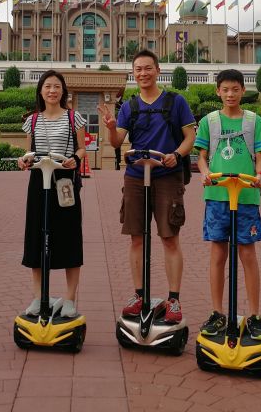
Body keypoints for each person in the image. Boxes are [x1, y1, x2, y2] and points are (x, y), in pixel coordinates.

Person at [98, 49, 196, 323]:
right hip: (136, 175)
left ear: (158, 70)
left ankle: (174, 299)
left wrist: (176, 154)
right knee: (136, 237)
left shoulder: (176, 102)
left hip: (167, 174)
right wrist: (110, 126)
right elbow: (118, 142)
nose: (143, 73)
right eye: (138, 69)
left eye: (148, 68)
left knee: (169, 237)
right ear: (133, 73)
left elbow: (190, 136)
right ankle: (139, 294)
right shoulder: (129, 106)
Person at [194, 69, 261, 340]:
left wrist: (260, 175)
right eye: (225, 89)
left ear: (242, 90)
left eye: (235, 89)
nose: (230, 94)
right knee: (218, 254)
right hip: (217, 196)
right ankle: (217, 313)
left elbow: (260, 156)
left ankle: (254, 316)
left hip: (247, 196)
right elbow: (201, 157)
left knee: (248, 254)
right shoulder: (209, 121)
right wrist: (204, 173)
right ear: (217, 91)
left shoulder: (254, 121)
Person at [18, 70, 87, 318]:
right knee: (36, 236)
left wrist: (74, 160)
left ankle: (69, 298)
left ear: (63, 91)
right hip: (39, 182)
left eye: (57, 87)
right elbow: (29, 153)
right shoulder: (32, 120)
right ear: (40, 91)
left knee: (69, 236)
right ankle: (39, 297)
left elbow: (81, 148)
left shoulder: (74, 117)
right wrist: (23, 161)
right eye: (47, 86)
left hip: (64, 181)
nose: (52, 91)